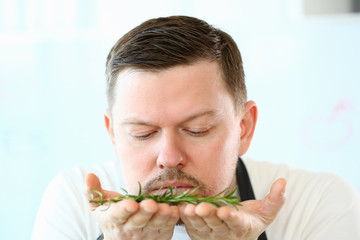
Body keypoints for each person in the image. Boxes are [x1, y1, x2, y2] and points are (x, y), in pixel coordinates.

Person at [32, 16, 360, 240]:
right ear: (113, 134)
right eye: (142, 134)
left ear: (244, 128)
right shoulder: (74, 199)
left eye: (197, 129)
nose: (169, 158)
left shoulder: (316, 201)